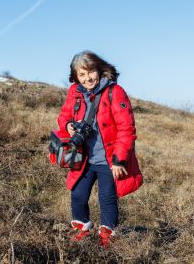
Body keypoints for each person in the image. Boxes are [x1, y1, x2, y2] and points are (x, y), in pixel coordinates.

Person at [57, 51, 143, 247]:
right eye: (82, 75)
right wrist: (68, 125)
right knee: (77, 195)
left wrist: (119, 160)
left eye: (91, 72)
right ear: (76, 76)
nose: (88, 78)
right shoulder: (74, 92)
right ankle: (81, 230)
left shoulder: (115, 92)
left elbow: (126, 128)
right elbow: (63, 116)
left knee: (107, 199)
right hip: (83, 157)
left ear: (99, 69)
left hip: (109, 160)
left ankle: (107, 237)